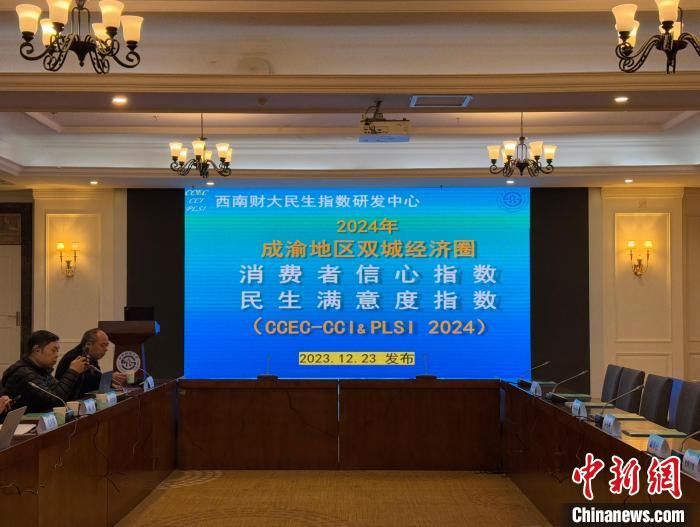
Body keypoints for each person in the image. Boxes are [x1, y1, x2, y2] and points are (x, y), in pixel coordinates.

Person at [0, 330, 88, 413]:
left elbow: (64, 397)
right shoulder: (24, 373)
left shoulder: (41, 371)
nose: (57, 355)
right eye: (53, 350)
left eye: (57, 351)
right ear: (37, 350)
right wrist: (72, 372)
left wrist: (78, 374)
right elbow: (56, 401)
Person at [55, 328, 127, 398]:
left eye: (107, 345)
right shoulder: (73, 358)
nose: (106, 349)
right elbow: (84, 383)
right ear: (88, 344)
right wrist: (109, 378)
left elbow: (96, 382)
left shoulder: (92, 357)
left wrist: (113, 384)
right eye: (103, 345)